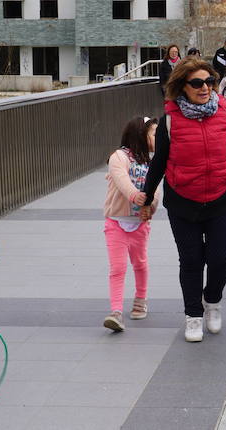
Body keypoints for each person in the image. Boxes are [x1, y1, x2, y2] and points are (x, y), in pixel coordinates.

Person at [141, 59, 226, 342]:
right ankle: (193, 315)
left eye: (209, 82)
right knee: (191, 260)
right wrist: (146, 198)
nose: (204, 88)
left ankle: (212, 300)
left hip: (220, 197)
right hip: (182, 200)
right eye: (197, 83)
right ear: (182, 87)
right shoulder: (169, 120)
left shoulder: (225, 114)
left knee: (222, 259)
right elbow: (160, 162)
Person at [103, 117, 161, 332]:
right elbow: (122, 182)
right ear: (140, 134)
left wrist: (150, 205)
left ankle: (140, 298)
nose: (157, 138)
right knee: (117, 268)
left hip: (139, 223)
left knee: (140, 262)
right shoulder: (118, 157)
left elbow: (156, 191)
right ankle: (116, 312)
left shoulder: (153, 161)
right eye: (154, 133)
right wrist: (137, 197)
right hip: (116, 222)